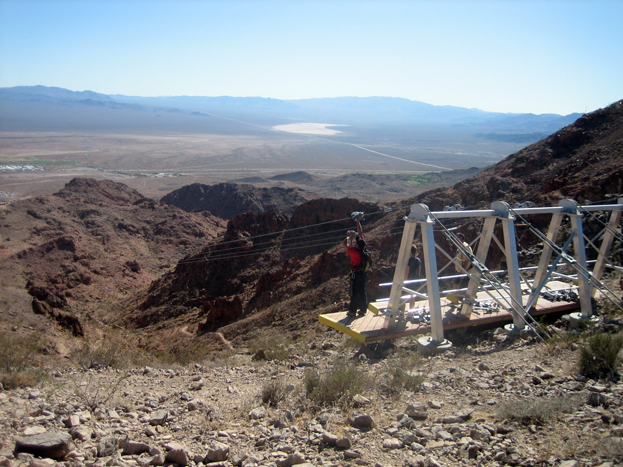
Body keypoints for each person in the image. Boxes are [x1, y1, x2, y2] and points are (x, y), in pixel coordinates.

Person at [343, 218, 367, 317]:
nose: (356, 242)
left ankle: (352, 311)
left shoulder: (354, 252)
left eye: (356, 242)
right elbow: (361, 234)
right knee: (362, 291)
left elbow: (345, 244)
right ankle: (363, 309)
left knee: (354, 291)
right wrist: (358, 223)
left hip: (355, 273)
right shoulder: (364, 249)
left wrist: (349, 236)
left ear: (358, 245)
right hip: (364, 272)